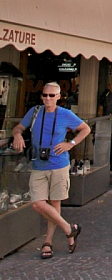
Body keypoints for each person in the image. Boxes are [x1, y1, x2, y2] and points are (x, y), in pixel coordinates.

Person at [11, 82, 90, 259]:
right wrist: (17, 134)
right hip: (39, 164)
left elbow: (85, 129)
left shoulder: (65, 114)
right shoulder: (35, 112)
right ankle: (70, 229)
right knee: (38, 203)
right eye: (45, 95)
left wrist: (70, 144)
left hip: (59, 164)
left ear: (59, 97)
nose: (47, 99)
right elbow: (19, 127)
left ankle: (48, 242)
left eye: (51, 96)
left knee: (55, 204)